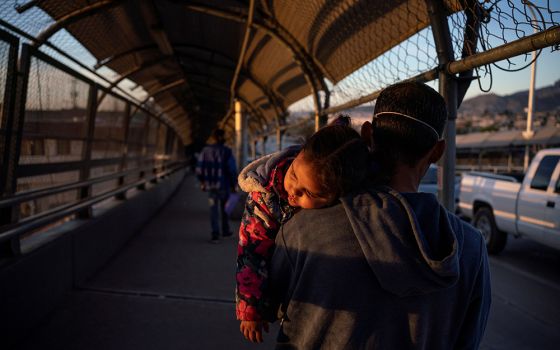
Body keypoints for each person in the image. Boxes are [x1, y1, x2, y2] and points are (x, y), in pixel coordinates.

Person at [268, 82, 491, 349]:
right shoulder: (471, 248)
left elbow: (271, 305)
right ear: (437, 151)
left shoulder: (303, 227)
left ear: (367, 134)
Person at [235, 116, 370, 343]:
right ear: (298, 154)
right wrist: (251, 308)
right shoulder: (264, 198)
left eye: (309, 193)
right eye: (295, 175)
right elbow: (250, 252)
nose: (294, 192)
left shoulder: (347, 175)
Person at [196, 128, 238, 243]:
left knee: (213, 210)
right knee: (225, 209)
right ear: (222, 137)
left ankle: (215, 234)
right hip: (224, 185)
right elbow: (232, 169)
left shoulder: (205, 151)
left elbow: (199, 169)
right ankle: (225, 231)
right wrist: (234, 184)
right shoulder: (227, 151)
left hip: (210, 186)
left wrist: (203, 182)